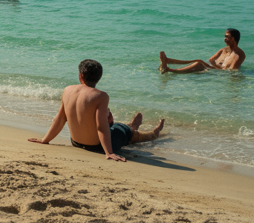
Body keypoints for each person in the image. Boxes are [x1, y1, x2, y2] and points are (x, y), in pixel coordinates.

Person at [28, 59, 164, 161]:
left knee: (114, 126)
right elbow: (101, 127)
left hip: (75, 142)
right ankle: (150, 134)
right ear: (99, 77)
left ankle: (129, 127)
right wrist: (108, 153)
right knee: (123, 132)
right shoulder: (101, 96)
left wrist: (45, 140)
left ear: (80, 75)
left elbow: (60, 119)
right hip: (97, 146)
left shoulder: (67, 90)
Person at [159, 29, 245, 73]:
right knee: (199, 61)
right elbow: (211, 60)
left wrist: (215, 65)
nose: (224, 38)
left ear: (234, 39)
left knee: (199, 63)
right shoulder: (223, 50)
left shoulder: (239, 55)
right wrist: (213, 64)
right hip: (212, 69)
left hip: (216, 73)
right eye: (225, 36)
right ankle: (168, 61)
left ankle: (170, 70)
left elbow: (232, 72)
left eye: (227, 37)